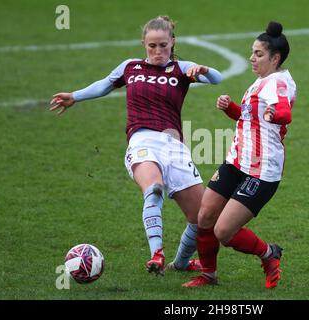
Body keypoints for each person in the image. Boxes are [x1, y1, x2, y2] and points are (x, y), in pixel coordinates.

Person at [49, 16, 222, 276]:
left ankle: (182, 263)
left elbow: (217, 79)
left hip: (174, 147)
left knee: (202, 218)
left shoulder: (180, 68)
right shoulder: (131, 67)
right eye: (152, 46)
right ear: (143, 44)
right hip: (143, 141)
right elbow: (104, 85)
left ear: (172, 42)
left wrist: (204, 70)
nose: (157, 51)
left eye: (163, 45)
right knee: (153, 189)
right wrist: (75, 96)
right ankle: (156, 253)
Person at [182, 21, 296, 288]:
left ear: (275, 58)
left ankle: (269, 254)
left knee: (223, 231)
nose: (251, 58)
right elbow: (248, 118)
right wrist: (230, 107)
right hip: (237, 160)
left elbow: (285, 113)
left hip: (262, 169)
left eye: (258, 54)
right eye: (252, 52)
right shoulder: (260, 82)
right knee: (205, 216)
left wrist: (274, 114)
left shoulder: (279, 83)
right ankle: (208, 275)